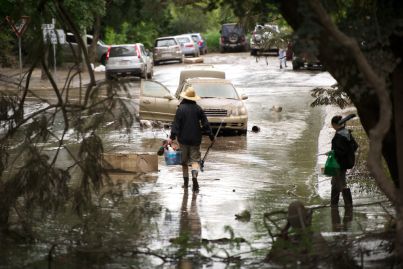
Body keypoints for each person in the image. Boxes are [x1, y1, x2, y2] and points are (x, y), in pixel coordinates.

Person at [168, 87, 214, 192]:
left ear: (185, 97)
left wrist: (172, 138)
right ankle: (194, 179)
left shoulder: (180, 109)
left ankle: (185, 184)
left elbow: (176, 125)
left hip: (183, 140)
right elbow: (205, 123)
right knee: (195, 161)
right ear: (194, 98)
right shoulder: (198, 108)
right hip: (195, 139)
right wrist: (211, 136)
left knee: (184, 162)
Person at [330, 115, 358, 208]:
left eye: (332, 124)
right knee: (336, 183)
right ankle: (336, 205)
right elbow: (355, 146)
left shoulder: (339, 136)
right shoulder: (346, 133)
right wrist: (349, 155)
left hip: (339, 164)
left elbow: (341, 151)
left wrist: (332, 152)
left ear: (334, 124)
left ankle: (344, 206)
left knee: (339, 184)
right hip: (346, 162)